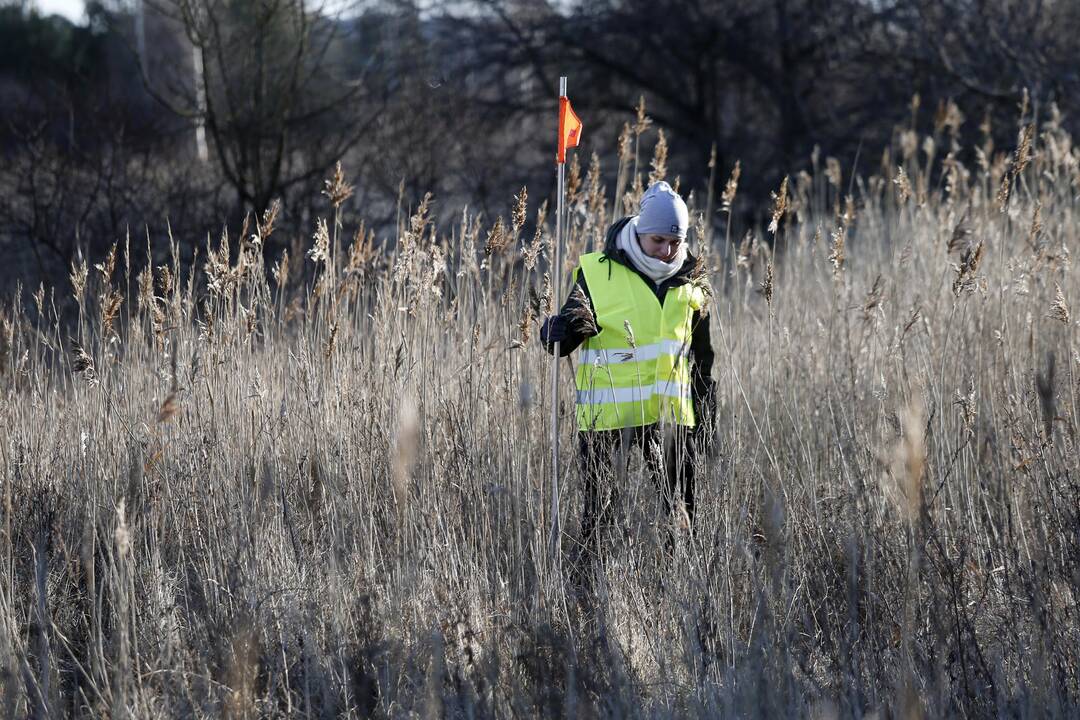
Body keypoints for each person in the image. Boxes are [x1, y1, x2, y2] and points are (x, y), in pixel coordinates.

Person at [541, 181, 716, 558]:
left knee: (681, 520)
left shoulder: (692, 280)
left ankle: (681, 591)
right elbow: (567, 338)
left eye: (675, 242)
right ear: (639, 231)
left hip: (670, 418)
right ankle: (587, 593)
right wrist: (553, 332)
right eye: (658, 241)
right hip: (608, 419)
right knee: (599, 520)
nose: (668, 251)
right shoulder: (598, 273)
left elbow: (702, 356)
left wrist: (707, 410)